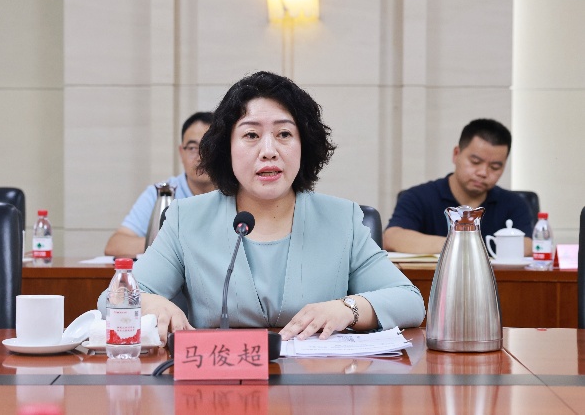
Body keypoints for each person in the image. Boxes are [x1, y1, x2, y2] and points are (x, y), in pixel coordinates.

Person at [99, 71, 425, 343]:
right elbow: (112, 299)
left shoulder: (342, 220)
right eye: (251, 135)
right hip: (219, 385)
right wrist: (151, 303)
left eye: (283, 134)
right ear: (227, 148)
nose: (269, 150)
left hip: (317, 384)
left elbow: (409, 300)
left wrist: (348, 309)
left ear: (304, 145)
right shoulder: (187, 218)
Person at [383, 118, 533, 255]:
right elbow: (392, 238)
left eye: (494, 167)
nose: (483, 172)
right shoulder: (418, 197)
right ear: (456, 154)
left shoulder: (514, 204)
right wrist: (460, 245)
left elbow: (528, 246)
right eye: (475, 162)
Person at [104, 112, 215, 258]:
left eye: (208, 147)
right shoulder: (161, 193)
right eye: (192, 148)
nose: (200, 157)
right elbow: (116, 245)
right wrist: (173, 243)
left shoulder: (238, 191)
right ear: (181, 153)